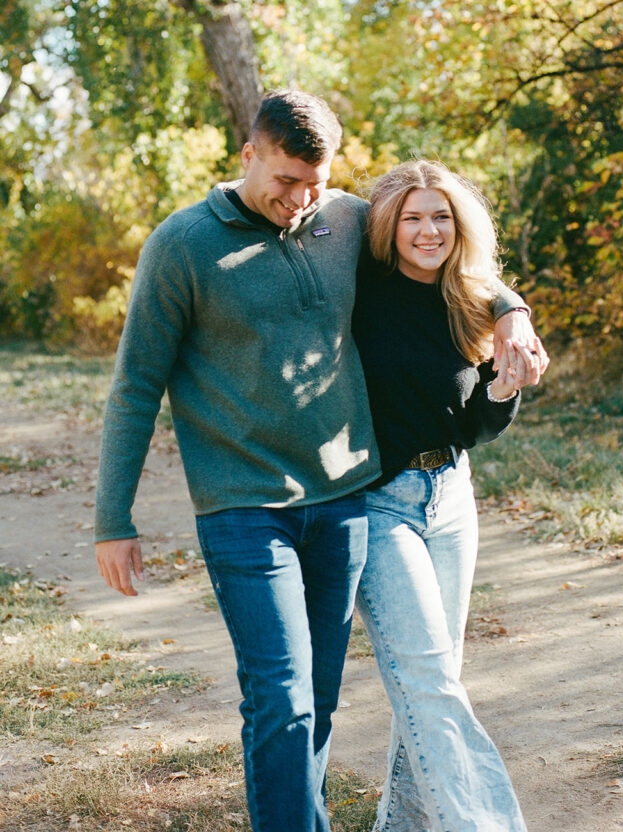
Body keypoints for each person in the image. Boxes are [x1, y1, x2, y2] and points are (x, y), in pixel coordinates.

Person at [94, 90, 546, 832]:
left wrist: (510, 307)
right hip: (244, 507)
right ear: (249, 155)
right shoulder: (182, 246)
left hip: (344, 500)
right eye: (285, 182)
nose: (299, 200)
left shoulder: (340, 219)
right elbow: (136, 385)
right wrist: (115, 517)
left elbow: (434, 237)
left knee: (327, 697)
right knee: (282, 695)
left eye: (315, 181)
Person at [352, 160, 540, 832]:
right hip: (380, 505)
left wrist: (505, 377)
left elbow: (470, 428)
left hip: (451, 500)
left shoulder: (468, 299)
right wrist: (512, 306)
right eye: (412, 217)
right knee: (428, 684)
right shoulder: (362, 288)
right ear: (389, 224)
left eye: (441, 216)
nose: (428, 230)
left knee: (430, 686)